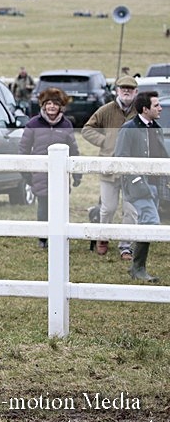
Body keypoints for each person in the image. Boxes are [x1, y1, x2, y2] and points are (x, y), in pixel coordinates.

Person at [81, 75, 139, 260]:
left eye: (130, 88)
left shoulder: (140, 111)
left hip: (132, 170)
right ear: (117, 90)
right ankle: (102, 237)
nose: (127, 91)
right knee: (108, 208)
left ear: (136, 92)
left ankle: (125, 246)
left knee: (130, 210)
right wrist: (104, 141)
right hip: (109, 167)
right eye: (123, 88)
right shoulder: (106, 110)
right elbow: (87, 129)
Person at [19, 87, 82, 249]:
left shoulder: (66, 124)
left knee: (60, 207)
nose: (52, 107)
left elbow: (74, 149)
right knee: (43, 206)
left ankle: (60, 237)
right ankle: (42, 237)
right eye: (48, 104)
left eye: (55, 104)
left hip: (60, 175)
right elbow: (24, 149)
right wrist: (27, 174)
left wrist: (77, 174)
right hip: (40, 174)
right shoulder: (33, 124)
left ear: (60, 106)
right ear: (43, 105)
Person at [114, 91, 167, 283]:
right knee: (150, 223)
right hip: (138, 187)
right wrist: (137, 182)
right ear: (145, 109)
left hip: (155, 186)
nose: (160, 108)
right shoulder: (129, 129)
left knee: (148, 224)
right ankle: (138, 268)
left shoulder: (156, 128)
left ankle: (137, 267)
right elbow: (120, 158)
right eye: (156, 105)